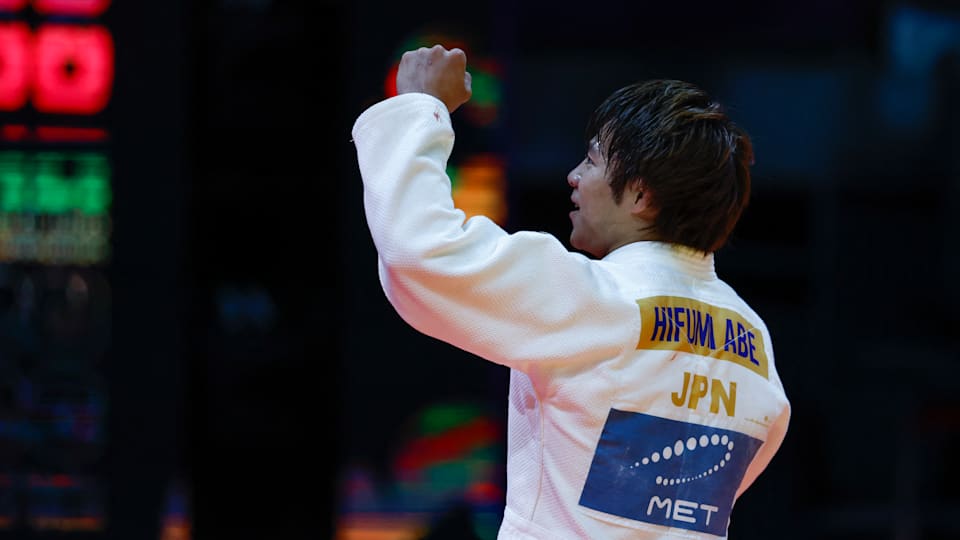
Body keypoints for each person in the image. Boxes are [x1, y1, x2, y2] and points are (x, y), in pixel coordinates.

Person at [351, 45, 790, 539]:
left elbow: (421, 253)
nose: (574, 177)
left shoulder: (601, 301)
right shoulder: (755, 343)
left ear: (642, 196)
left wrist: (418, 108)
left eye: (593, 159)